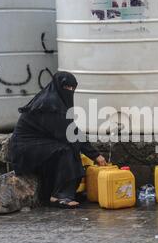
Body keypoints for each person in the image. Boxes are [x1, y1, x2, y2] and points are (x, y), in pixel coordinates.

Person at [10, 72, 107, 209]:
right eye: (66, 87)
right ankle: (60, 196)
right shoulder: (50, 104)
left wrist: (93, 153)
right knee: (66, 150)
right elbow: (70, 134)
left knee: (66, 148)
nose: (70, 91)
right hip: (25, 148)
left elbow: (71, 130)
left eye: (72, 88)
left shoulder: (56, 100)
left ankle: (58, 192)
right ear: (57, 86)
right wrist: (95, 155)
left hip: (39, 144)